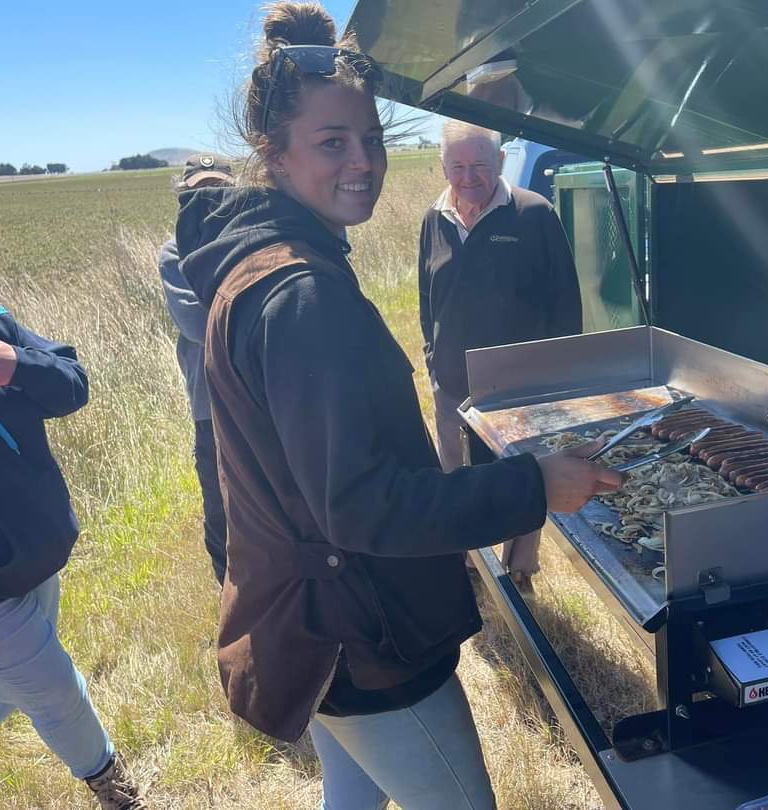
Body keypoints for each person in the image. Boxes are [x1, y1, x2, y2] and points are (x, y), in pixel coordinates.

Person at [174, 4, 621, 808]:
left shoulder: (256, 264)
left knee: (350, 792)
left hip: (307, 626)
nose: (364, 164)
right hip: (358, 635)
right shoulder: (300, 292)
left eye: (373, 139)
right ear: (271, 156)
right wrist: (533, 486)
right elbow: (362, 505)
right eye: (332, 143)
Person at [0, 264, 146, 809]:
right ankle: (115, 793)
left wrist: (16, 367)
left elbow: (72, 386)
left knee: (10, 687)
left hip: (36, 553)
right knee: (56, 691)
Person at [418, 120, 583, 592]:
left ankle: (520, 568)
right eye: (457, 166)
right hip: (452, 380)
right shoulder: (433, 218)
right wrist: (433, 357)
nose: (468, 177)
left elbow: (564, 303)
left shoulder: (533, 213)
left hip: (520, 383)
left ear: (500, 163)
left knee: (521, 477)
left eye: (479, 166)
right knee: (458, 475)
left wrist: (558, 374)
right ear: (443, 166)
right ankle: (471, 566)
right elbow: (426, 297)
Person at [158, 154, 235, 584]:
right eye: (198, 193)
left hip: (266, 401)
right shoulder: (174, 252)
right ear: (182, 199)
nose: (210, 201)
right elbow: (196, 323)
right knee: (221, 515)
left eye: (219, 191)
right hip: (211, 407)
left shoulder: (254, 239)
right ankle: (231, 606)